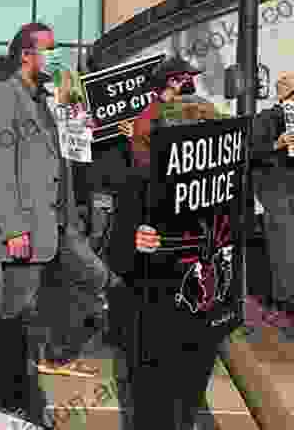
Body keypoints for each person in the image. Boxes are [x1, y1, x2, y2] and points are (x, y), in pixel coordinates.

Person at [0, 23, 122, 420]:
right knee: (12, 320)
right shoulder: (0, 100)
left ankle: (31, 380)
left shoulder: (51, 100)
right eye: (50, 50)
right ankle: (4, 400)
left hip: (57, 226)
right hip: (18, 231)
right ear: (26, 54)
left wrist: (77, 119)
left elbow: (68, 159)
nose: (57, 58)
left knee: (90, 290)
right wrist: (13, 228)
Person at [108, 56, 227, 429]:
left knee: (156, 390)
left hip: (162, 289)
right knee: (185, 386)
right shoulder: (215, 155)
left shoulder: (144, 139)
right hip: (197, 289)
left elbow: (123, 253)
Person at [252, 71, 294, 326]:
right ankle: (283, 302)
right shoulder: (266, 118)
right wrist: (277, 144)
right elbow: (251, 151)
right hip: (275, 190)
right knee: (283, 246)